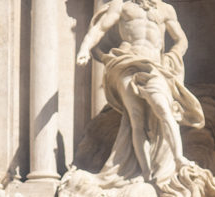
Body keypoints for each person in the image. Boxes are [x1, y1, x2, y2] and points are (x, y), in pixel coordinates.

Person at [76, 0, 205, 183]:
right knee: (136, 118)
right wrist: (84, 48)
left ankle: (178, 158)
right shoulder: (121, 5)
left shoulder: (166, 9)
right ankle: (145, 173)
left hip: (154, 66)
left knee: (163, 108)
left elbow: (181, 40)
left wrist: (173, 56)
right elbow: (100, 28)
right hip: (126, 62)